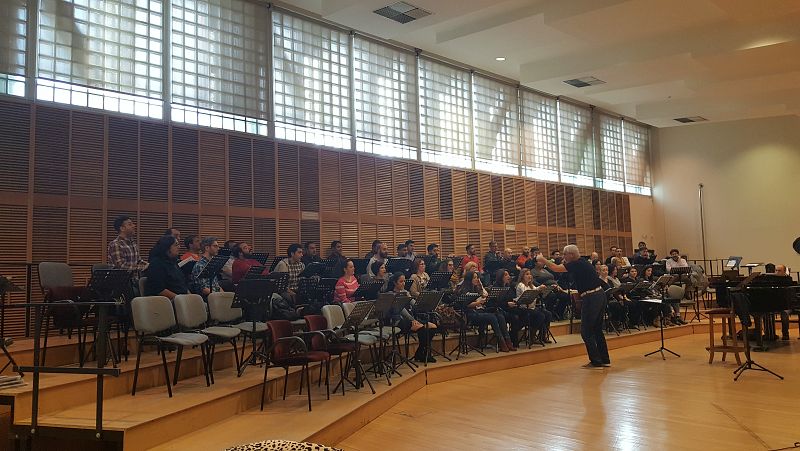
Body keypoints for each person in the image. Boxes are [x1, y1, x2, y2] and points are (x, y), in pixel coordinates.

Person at [538, 245, 609, 369]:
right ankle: (604, 359)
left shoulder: (576, 263)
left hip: (591, 298)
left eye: (565, 255)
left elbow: (556, 268)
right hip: (599, 295)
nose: (563, 257)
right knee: (597, 329)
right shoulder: (583, 262)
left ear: (571, 255)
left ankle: (596, 362)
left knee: (586, 332)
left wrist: (542, 259)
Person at [384, 272, 437, 363]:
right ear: (394, 283)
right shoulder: (391, 294)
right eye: (401, 281)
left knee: (432, 326)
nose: (403, 283)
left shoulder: (405, 292)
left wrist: (425, 304)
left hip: (410, 319)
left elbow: (415, 305)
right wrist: (413, 320)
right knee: (421, 328)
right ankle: (421, 355)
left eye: (404, 281)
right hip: (398, 321)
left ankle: (420, 352)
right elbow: (402, 311)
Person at [457, 270, 512, 352]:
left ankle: (507, 340)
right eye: (474, 278)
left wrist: (484, 299)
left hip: (479, 310)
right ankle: (501, 341)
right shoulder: (464, 289)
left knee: (499, 315)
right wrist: (478, 302)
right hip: (469, 314)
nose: (477, 279)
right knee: (492, 317)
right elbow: (466, 304)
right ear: (469, 279)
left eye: (477, 277)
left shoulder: (476, 288)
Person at [513, 268, 552, 345]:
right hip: (523, 308)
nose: (529, 276)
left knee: (548, 314)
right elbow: (527, 294)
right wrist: (538, 289)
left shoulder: (531, 285)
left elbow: (535, 290)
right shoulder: (521, 285)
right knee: (540, 315)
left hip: (532, 307)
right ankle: (532, 336)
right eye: (527, 274)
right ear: (522, 276)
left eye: (530, 274)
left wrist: (541, 288)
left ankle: (542, 335)